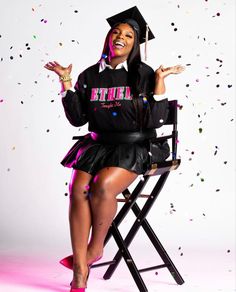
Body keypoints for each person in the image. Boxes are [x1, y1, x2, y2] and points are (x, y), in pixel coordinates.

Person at [44, 6, 185, 292]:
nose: (121, 37)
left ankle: (94, 251)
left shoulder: (143, 73)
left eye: (129, 36)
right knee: (78, 189)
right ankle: (80, 270)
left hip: (136, 146)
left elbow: (157, 120)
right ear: (108, 37)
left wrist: (159, 82)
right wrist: (66, 83)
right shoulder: (89, 75)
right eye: (117, 32)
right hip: (99, 145)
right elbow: (78, 120)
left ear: (135, 44)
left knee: (103, 187)